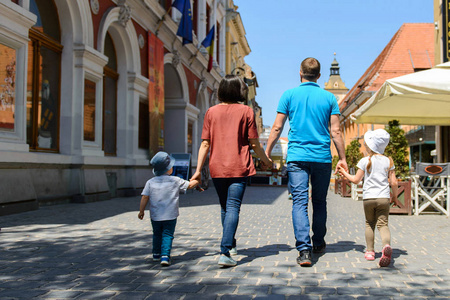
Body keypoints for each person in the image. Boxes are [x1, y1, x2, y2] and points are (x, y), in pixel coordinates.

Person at [265, 57, 348, 267]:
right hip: (321, 157)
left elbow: (277, 127)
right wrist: (343, 158)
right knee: (319, 201)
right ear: (319, 76)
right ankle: (318, 242)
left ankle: (304, 250)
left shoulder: (289, 95)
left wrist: (266, 151)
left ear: (300, 73)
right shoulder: (329, 98)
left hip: (297, 157)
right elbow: (336, 131)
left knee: (300, 202)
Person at [191, 75, 272, 267]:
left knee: (225, 207)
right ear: (238, 90)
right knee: (233, 206)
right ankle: (225, 251)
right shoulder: (246, 111)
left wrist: (197, 170)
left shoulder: (211, 112)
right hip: (238, 166)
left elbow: (205, 143)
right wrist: (266, 161)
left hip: (217, 167)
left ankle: (231, 244)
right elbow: (254, 143)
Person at [338, 129, 400, 267]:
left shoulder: (364, 161)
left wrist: (343, 173)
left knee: (369, 223)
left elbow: (355, 180)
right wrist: (395, 196)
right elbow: (394, 182)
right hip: (384, 198)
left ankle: (370, 252)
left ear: (369, 146)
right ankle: (386, 246)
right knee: (383, 224)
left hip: (368, 198)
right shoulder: (389, 161)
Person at [138, 151, 202, 266]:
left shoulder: (150, 182)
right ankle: (165, 256)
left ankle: (156, 254)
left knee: (157, 234)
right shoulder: (175, 180)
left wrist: (141, 211)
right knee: (167, 234)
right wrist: (197, 180)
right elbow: (190, 185)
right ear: (169, 169)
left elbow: (145, 197)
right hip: (170, 215)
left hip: (155, 215)